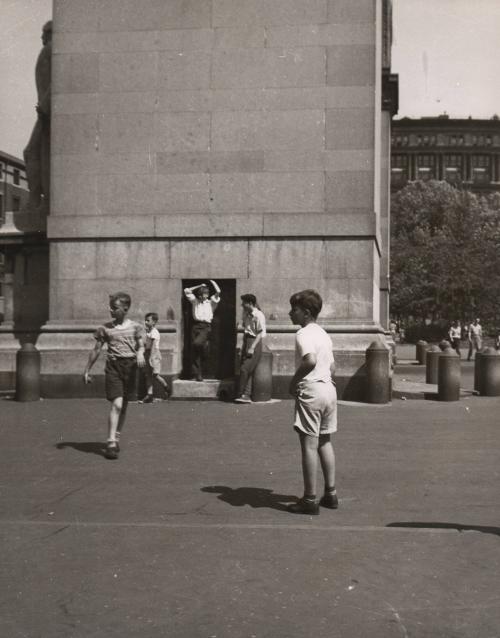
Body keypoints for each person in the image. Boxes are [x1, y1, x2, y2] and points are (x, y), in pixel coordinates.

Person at [286, 289, 338, 515]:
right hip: (329, 389)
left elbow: (310, 360)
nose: (290, 313)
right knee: (325, 441)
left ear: (306, 313)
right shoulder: (324, 334)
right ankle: (331, 493)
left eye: (294, 310)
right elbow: (332, 367)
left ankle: (309, 499)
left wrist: (294, 382)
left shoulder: (303, 333)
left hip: (312, 390)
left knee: (309, 445)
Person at [83, 292, 145, 460]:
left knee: (124, 405)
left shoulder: (136, 327)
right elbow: (96, 349)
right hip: (114, 367)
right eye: (110, 307)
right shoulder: (105, 329)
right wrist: (87, 369)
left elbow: (141, 345)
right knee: (116, 404)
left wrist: (140, 354)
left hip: (131, 367)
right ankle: (110, 442)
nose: (110, 310)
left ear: (125, 309)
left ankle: (116, 437)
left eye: (114, 307)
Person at [24, 20, 52, 212]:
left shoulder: (51, 51)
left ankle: (38, 199)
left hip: (47, 112)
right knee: (36, 153)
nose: (41, 37)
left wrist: (44, 106)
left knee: (34, 152)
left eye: (44, 33)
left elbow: (56, 80)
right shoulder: (49, 51)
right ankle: (39, 198)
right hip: (45, 111)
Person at [184, 280, 221, 381]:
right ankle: (198, 374)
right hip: (195, 326)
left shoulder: (211, 303)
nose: (203, 296)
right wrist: (199, 285)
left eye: (205, 294)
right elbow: (186, 290)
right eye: (201, 294)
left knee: (197, 344)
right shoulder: (195, 301)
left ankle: (206, 346)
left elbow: (218, 291)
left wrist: (212, 282)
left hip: (206, 326)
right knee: (195, 352)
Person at [234, 294, 266, 403]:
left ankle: (241, 393)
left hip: (254, 342)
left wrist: (252, 347)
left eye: (244, 303)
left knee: (245, 368)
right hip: (246, 340)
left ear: (250, 303)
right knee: (248, 370)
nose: (242, 305)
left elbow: (260, 333)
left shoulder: (259, 315)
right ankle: (246, 395)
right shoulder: (247, 314)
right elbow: (244, 328)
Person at [141, 312, 169, 403]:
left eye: (148, 320)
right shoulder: (149, 332)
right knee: (148, 375)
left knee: (155, 375)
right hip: (148, 352)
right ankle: (149, 395)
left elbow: (153, 346)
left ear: (154, 322)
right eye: (145, 320)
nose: (145, 322)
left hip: (154, 354)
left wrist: (151, 358)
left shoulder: (155, 332)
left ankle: (166, 387)